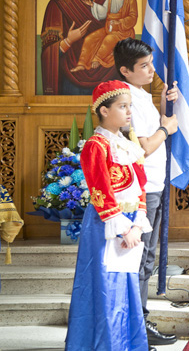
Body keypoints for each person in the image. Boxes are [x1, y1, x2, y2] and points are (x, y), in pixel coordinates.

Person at [66, 80, 152, 351]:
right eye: (122, 106)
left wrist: (137, 226)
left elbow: (140, 187)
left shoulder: (127, 144)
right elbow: (100, 190)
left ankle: (128, 343)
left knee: (126, 285)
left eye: (129, 106)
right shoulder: (97, 145)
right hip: (105, 225)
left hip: (130, 225)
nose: (129, 112)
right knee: (106, 286)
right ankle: (105, 344)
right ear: (104, 111)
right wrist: (121, 230)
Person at [114, 38, 179, 346]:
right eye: (144, 66)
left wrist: (167, 107)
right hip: (143, 188)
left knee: (147, 258)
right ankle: (137, 325)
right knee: (141, 259)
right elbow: (143, 147)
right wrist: (167, 128)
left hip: (154, 184)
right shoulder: (126, 98)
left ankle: (139, 320)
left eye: (151, 63)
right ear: (126, 70)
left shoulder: (139, 94)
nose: (152, 70)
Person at [75, 0, 139, 73]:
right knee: (90, 38)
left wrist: (119, 23)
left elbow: (133, 17)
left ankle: (97, 59)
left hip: (123, 32)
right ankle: (82, 63)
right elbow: (104, 12)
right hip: (108, 28)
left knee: (109, 40)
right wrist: (92, 4)